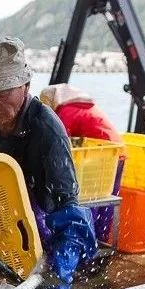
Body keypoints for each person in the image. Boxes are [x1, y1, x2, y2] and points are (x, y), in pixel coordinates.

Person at [0, 37, 96, 289]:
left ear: (26, 85)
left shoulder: (46, 128)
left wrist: (58, 273)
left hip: (39, 229)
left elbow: (67, 208)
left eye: (3, 92)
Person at [41, 83, 123, 245]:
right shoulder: (81, 106)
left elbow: (57, 141)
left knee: (90, 199)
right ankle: (100, 237)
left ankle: (85, 240)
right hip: (115, 153)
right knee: (106, 198)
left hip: (103, 155)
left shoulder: (65, 112)